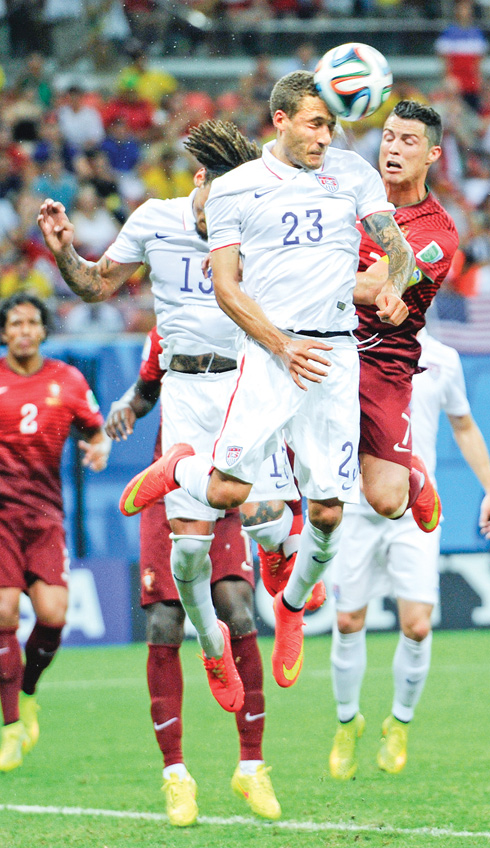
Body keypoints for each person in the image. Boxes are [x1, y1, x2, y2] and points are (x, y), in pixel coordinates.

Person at [38, 120, 306, 817]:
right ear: (196, 181)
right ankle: (177, 773)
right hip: (184, 395)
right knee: (168, 612)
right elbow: (96, 285)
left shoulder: (255, 223)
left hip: (244, 386)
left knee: (249, 579)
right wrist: (65, 251)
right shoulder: (154, 220)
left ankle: (253, 762)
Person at [119, 71, 415, 692]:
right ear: (279, 120)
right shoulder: (239, 188)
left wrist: (392, 281)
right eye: (315, 123)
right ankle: (178, 468)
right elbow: (226, 287)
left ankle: (290, 607)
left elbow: (394, 245)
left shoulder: (353, 174)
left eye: (332, 124)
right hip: (270, 352)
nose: (325, 136)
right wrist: (281, 347)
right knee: (227, 494)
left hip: (336, 355)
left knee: (330, 514)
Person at [105, 326, 281, 824]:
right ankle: (176, 775)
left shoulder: (250, 317)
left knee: (238, 607)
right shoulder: (171, 326)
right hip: (172, 487)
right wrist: (124, 409)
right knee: (163, 623)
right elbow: (144, 393)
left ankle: (252, 765)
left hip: (228, 480)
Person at [328, 327, 490, 781]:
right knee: (348, 621)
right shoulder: (352, 345)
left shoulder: (443, 359)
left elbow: (463, 426)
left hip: (415, 510)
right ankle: (348, 722)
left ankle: (399, 723)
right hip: (356, 505)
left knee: (418, 625)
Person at [0, 292, 110, 772]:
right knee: (3, 612)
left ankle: (27, 694)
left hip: (45, 517)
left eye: (31, 323)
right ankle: (9, 729)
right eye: (14, 324)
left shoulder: (67, 380)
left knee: (53, 615)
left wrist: (100, 449)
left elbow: (96, 431)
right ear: (4, 334)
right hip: (1, 517)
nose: (23, 330)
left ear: (44, 331)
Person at [352, 100, 460, 529]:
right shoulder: (352, 193)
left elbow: (376, 286)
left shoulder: (436, 231)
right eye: (389, 137)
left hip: (384, 359)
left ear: (432, 154)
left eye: (408, 141)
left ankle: (413, 477)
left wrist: (300, 276)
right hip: (324, 342)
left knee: (385, 500)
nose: (393, 149)